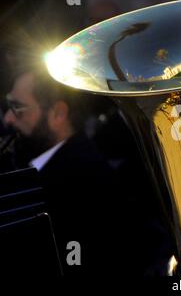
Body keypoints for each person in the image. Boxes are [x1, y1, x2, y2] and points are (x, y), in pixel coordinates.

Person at [3, 64, 121, 276]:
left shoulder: (82, 183)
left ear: (58, 114)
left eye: (17, 108)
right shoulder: (48, 168)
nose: (8, 118)